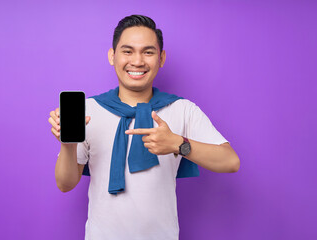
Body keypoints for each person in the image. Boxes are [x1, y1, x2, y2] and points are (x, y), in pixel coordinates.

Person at [48, 15, 240, 240]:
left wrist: (178, 144)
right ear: (112, 56)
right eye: (127, 51)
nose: (137, 61)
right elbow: (65, 183)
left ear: (161, 58)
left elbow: (231, 161)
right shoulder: (88, 111)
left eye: (148, 52)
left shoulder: (182, 109)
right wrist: (68, 145)